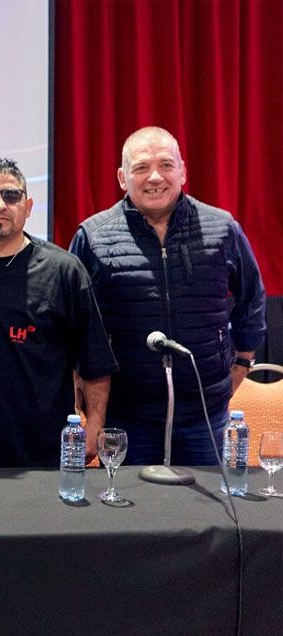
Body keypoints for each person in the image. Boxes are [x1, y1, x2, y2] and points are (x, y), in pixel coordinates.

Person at [70, 126, 266, 465]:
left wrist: (241, 365)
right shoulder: (93, 236)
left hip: (206, 416)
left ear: (183, 171)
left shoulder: (222, 228)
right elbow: (75, 327)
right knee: (132, 515)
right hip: (127, 415)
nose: (155, 177)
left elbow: (251, 303)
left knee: (211, 516)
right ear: (122, 177)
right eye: (141, 167)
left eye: (166, 165)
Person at [0, 158, 117, 467]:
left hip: (43, 448)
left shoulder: (64, 270)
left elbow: (94, 357)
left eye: (12, 196)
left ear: (28, 207)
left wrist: (95, 425)